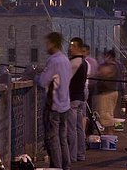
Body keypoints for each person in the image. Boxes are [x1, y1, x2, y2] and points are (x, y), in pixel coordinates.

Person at [36, 32, 72, 170]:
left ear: (53, 43)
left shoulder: (53, 60)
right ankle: (66, 165)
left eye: (47, 43)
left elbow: (43, 82)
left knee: (52, 139)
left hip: (54, 106)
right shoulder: (65, 59)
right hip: (65, 105)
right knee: (62, 139)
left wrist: (34, 76)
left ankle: (56, 167)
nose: (46, 46)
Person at [67, 37, 87, 163]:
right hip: (81, 99)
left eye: (73, 46)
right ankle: (81, 154)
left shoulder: (75, 62)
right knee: (80, 129)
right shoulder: (84, 62)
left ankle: (72, 156)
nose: (70, 48)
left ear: (79, 48)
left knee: (71, 129)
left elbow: (65, 78)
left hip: (73, 99)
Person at [95, 50, 120, 134]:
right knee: (107, 115)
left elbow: (102, 72)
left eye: (106, 56)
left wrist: (99, 69)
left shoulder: (112, 66)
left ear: (110, 57)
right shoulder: (114, 65)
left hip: (107, 93)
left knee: (106, 116)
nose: (104, 58)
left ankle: (110, 136)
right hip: (110, 92)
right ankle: (107, 136)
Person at [82, 44, 98, 135]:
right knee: (89, 110)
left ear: (88, 52)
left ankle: (87, 131)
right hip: (90, 88)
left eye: (84, 51)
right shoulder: (93, 61)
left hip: (88, 88)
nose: (82, 53)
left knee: (87, 112)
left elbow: (90, 75)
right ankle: (89, 131)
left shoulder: (87, 62)